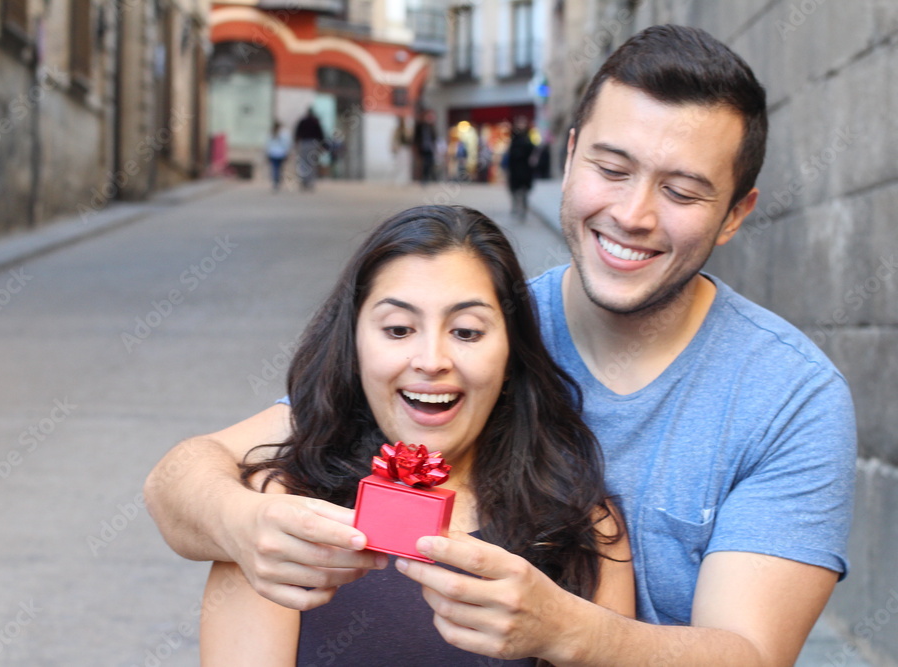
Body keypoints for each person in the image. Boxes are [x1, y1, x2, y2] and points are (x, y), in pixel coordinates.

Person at [146, 24, 856, 665]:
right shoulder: (481, 317)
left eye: (681, 190)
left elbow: (751, 655)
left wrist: (568, 629)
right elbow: (190, 475)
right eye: (611, 169)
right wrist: (244, 524)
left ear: (736, 214)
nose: (633, 214)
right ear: (569, 153)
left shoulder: (790, 399)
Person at [197, 206, 634, 664]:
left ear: (511, 355)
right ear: (354, 345)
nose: (431, 360)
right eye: (399, 329)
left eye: (466, 332)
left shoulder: (583, 528)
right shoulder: (271, 522)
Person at [505, 115, 536, 221]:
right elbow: (510, 153)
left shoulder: (528, 136)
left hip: (525, 169)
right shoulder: (514, 137)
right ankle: (515, 207)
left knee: (523, 191)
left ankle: (523, 209)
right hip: (514, 169)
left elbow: (532, 150)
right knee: (514, 190)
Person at [294, 107, 325, 191]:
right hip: (313, 144)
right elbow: (321, 134)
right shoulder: (315, 122)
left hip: (304, 143)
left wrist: (296, 143)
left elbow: (297, 134)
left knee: (303, 163)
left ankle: (304, 181)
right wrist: (322, 146)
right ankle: (310, 182)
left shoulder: (303, 121)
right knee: (312, 164)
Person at [413, 108, 438, 185]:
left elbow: (434, 137)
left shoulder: (431, 126)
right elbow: (415, 137)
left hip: (429, 148)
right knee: (423, 163)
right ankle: (423, 179)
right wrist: (415, 147)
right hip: (422, 147)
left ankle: (429, 177)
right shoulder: (419, 126)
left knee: (430, 162)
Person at [265, 121, 290, 192]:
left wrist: (267, 153)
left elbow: (267, 144)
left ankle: (275, 180)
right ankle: (277, 180)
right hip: (281, 153)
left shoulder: (271, 133)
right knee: (280, 168)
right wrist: (287, 152)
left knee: (274, 168)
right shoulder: (284, 133)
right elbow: (287, 144)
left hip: (273, 153)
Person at [391, 115, 412, 186]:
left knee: (406, 164)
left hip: (406, 148)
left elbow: (409, 139)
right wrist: (394, 148)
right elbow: (394, 140)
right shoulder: (397, 130)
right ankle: (398, 180)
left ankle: (406, 180)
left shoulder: (407, 129)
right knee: (399, 164)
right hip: (400, 149)